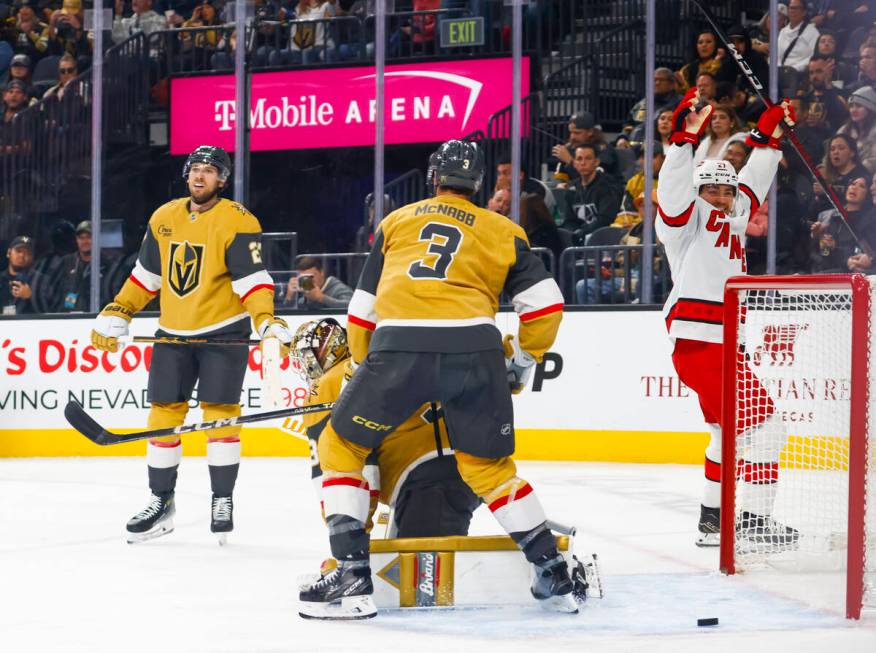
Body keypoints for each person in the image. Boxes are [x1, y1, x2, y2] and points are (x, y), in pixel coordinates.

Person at [297, 140, 573, 620]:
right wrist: (523, 359)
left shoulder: (397, 221)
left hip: (400, 347)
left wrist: (365, 369)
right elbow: (547, 303)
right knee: (490, 471)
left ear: (433, 178)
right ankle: (551, 570)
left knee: (340, 448)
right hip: (477, 348)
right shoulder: (504, 229)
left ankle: (352, 575)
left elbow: (362, 312)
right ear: (479, 183)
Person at [89, 145, 292, 544]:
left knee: (220, 416)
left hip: (224, 332)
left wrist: (266, 320)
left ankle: (222, 499)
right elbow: (147, 276)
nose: (200, 176)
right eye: (195, 169)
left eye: (210, 171)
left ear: (222, 180)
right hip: (172, 333)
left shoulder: (238, 221)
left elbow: (253, 282)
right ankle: (161, 501)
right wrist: (120, 310)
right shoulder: (164, 217)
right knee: (163, 415)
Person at [655, 88, 799, 548]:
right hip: (699, 340)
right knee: (765, 424)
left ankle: (712, 522)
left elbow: (751, 186)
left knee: (724, 431)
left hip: (721, 341)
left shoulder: (734, 215)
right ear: (698, 192)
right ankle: (754, 524)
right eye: (711, 189)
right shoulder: (683, 220)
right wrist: (682, 141)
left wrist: (767, 140)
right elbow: (674, 192)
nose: (719, 195)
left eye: (724, 189)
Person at [293, 318, 479, 545]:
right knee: (408, 564)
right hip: (471, 463)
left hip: (424, 479)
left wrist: (351, 544)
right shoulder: (383, 359)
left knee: (419, 572)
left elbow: (341, 472)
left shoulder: (326, 384)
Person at [809, 176, 876, 272]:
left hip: (848, 274)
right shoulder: (834, 217)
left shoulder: (867, 222)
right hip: (826, 272)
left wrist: (835, 248)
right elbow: (823, 256)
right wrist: (817, 237)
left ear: (867, 195)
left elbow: (859, 255)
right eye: (852, 184)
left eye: (861, 186)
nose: (854, 187)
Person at [558, 143, 623, 240]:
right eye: (579, 159)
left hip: (603, 238)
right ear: (575, 164)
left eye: (588, 158)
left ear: (596, 162)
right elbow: (569, 220)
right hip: (579, 237)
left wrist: (582, 232)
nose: (583, 163)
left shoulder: (608, 185)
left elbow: (605, 219)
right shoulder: (572, 188)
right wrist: (573, 233)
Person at [551, 111, 620, 183]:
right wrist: (560, 184)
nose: (572, 137)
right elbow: (560, 177)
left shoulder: (604, 150)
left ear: (590, 132)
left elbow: (595, 182)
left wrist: (570, 161)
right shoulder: (569, 149)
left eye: (577, 133)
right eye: (571, 132)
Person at [55, 220, 99, 312]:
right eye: (81, 238)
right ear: (76, 240)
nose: (85, 241)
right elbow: (57, 291)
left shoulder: (106, 263)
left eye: (88, 237)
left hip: (98, 316)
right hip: (71, 317)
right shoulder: (67, 262)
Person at [0, 235, 50, 314]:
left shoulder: (41, 281)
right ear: (8, 253)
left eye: (27, 253)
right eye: (18, 251)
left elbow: (49, 314)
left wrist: (30, 296)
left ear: (32, 258)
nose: (22, 255)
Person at [285, 255, 353, 310]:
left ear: (322, 273)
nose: (307, 281)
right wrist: (290, 298)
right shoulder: (303, 299)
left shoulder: (339, 289)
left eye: (311, 277)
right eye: (303, 278)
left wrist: (321, 298)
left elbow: (351, 307)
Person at [838, 86, 876, 173]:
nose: (853, 110)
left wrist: (854, 170)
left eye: (858, 106)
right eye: (851, 106)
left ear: (869, 109)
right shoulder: (844, 130)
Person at [778, 0, 820, 76]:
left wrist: (793, 70)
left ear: (804, 12)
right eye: (791, 8)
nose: (793, 11)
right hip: (779, 73)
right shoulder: (783, 31)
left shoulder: (813, 32)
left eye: (797, 8)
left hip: (799, 74)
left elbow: (813, 57)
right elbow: (776, 55)